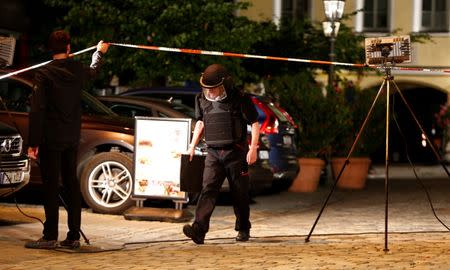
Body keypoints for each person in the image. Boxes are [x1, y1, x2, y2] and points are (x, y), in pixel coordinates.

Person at [25, 30, 109, 249]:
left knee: (51, 186)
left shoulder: (44, 74)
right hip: (71, 137)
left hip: (50, 138)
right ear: (69, 47)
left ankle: (50, 235)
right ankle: (73, 236)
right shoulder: (77, 70)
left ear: (50, 49)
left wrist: (33, 142)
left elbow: (37, 111)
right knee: (71, 184)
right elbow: (93, 71)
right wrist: (99, 53)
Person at [183, 64, 260, 244]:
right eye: (206, 88)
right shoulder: (201, 99)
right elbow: (201, 123)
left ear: (225, 84)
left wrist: (253, 148)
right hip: (213, 153)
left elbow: (254, 123)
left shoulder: (240, 99)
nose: (210, 92)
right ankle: (198, 230)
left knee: (239, 193)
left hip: (236, 153)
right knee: (207, 189)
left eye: (213, 88)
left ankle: (243, 228)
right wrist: (192, 146)